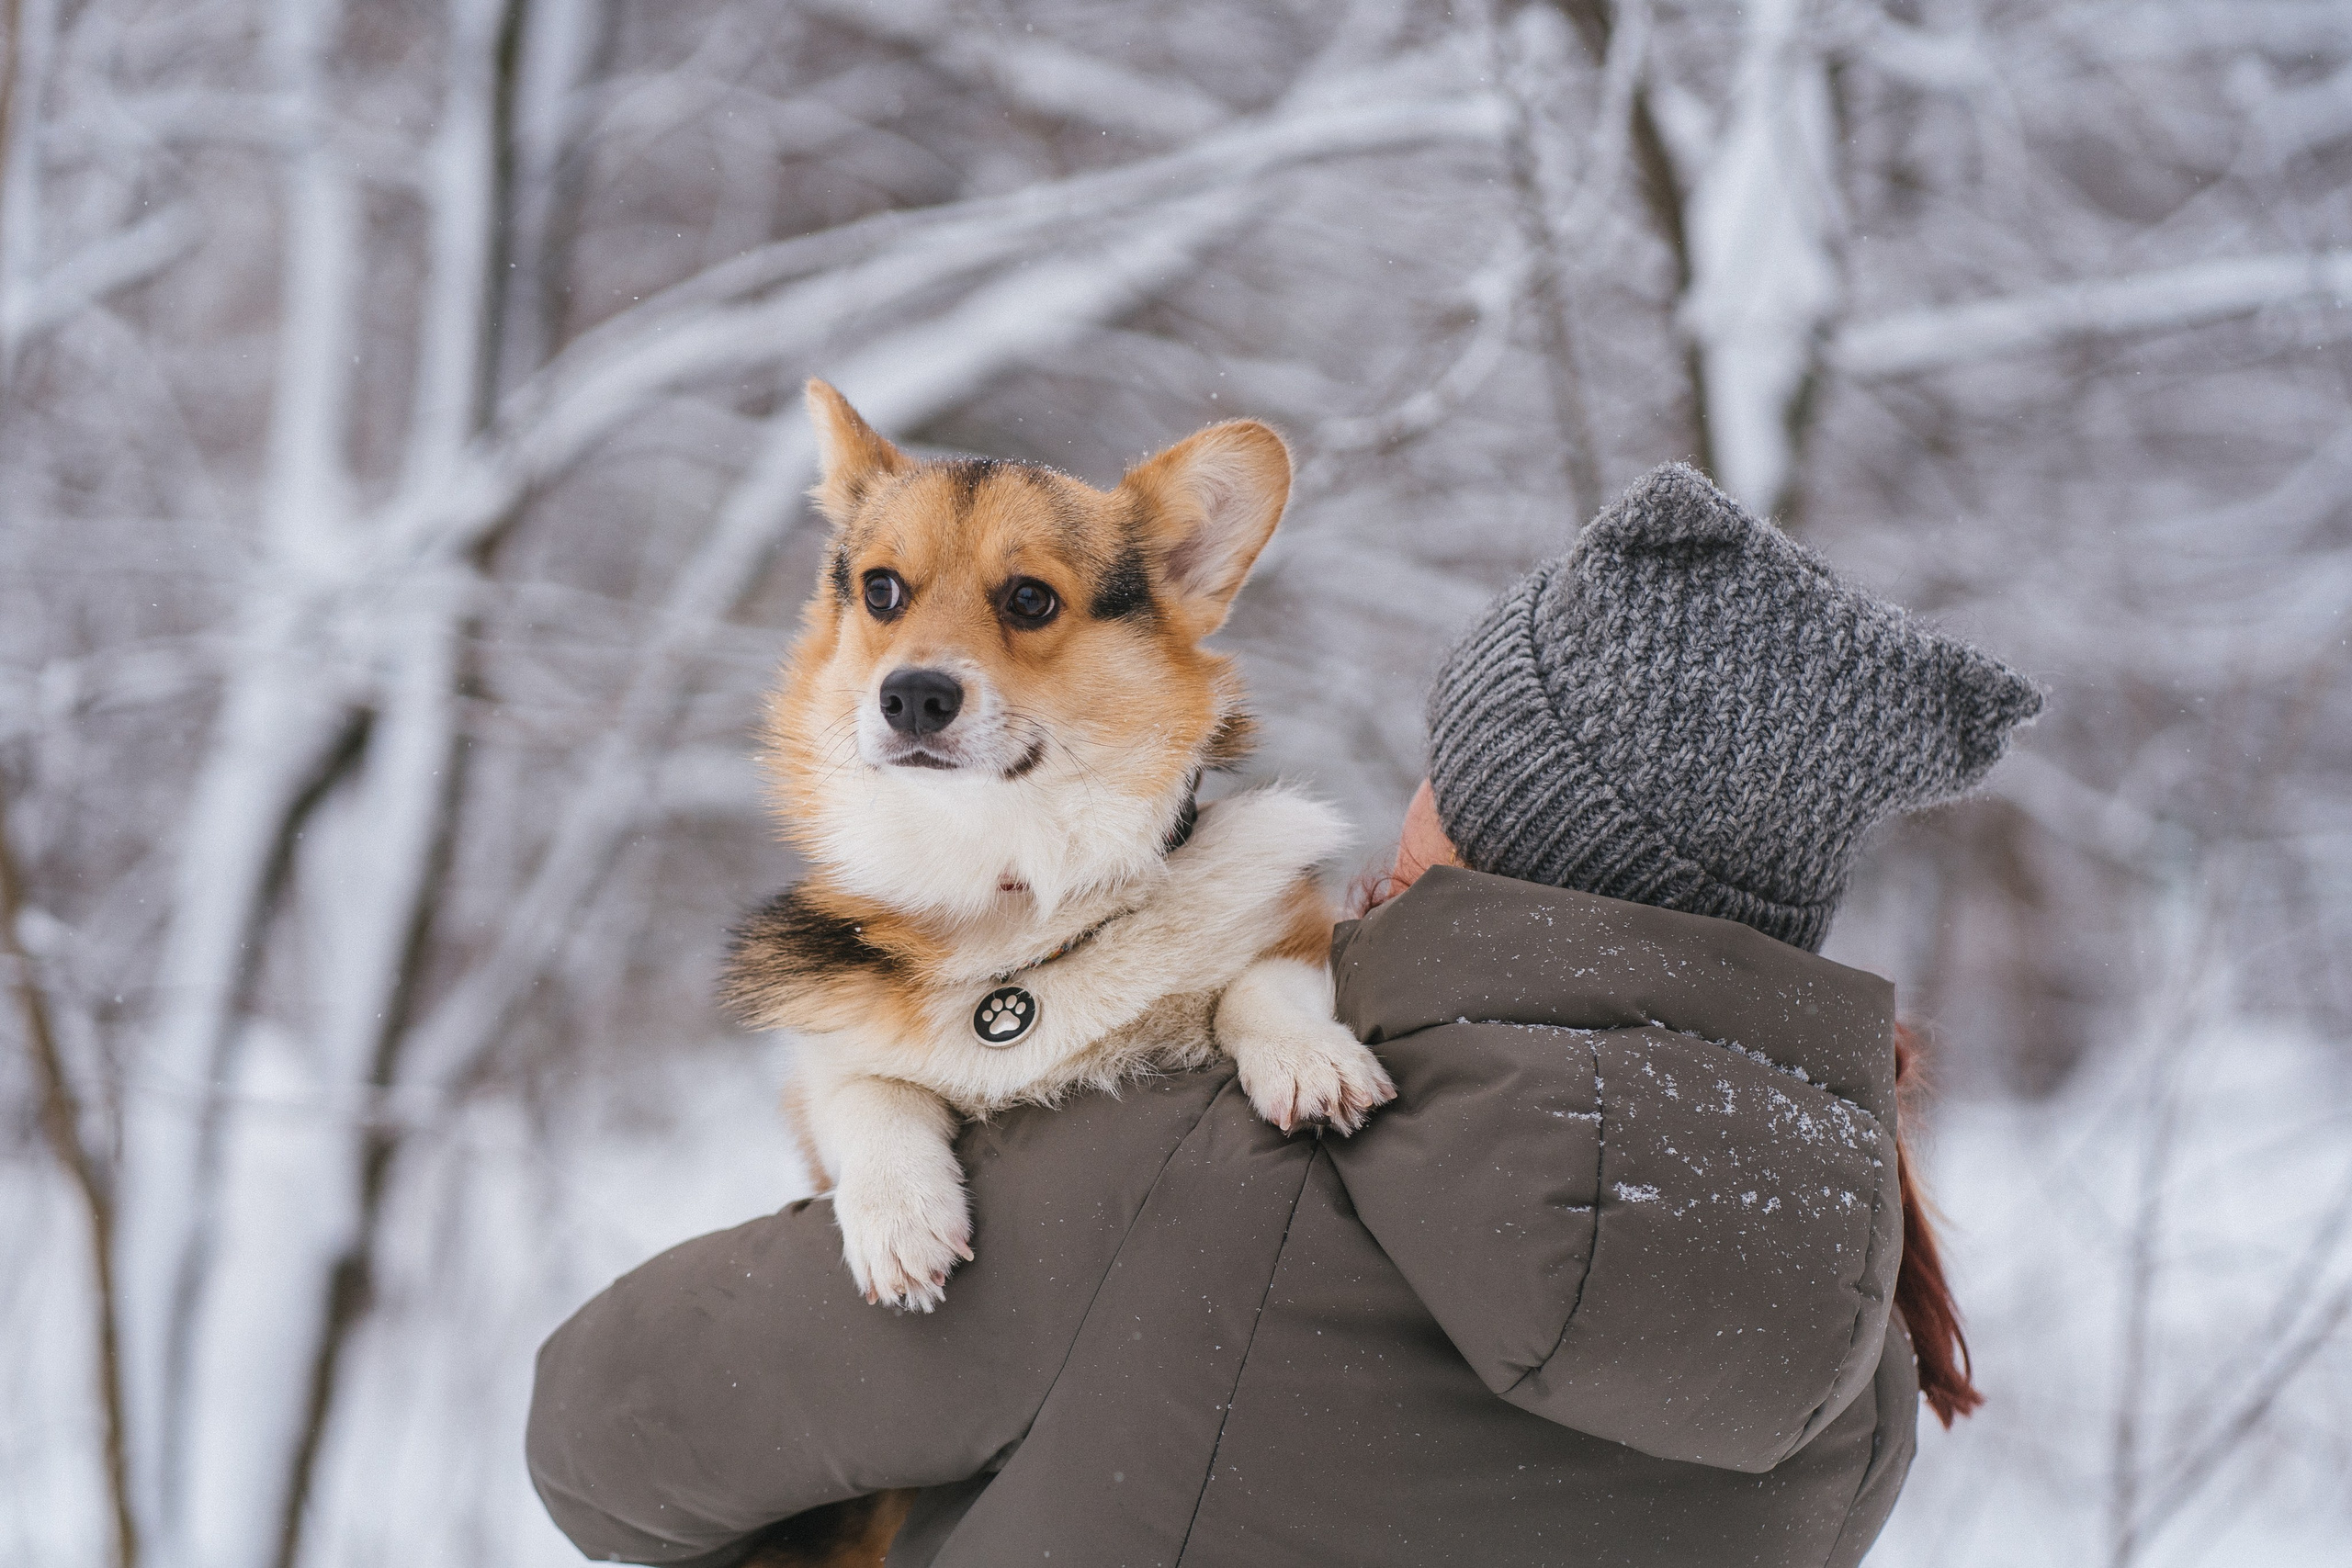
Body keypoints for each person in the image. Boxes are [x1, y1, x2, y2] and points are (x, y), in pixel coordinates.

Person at [526, 465, 2041, 1568]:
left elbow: (604, 1435)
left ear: (1507, 830)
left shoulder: (1187, 1176)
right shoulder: (1860, 1376)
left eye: (1444, 788)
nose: (1395, 829)